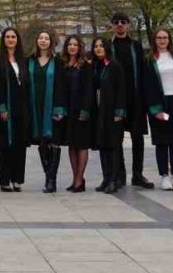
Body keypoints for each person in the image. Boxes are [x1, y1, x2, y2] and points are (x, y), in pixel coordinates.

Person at [109, 12, 153, 189]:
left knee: (138, 138)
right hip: (115, 100)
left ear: (129, 25)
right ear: (112, 25)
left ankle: (138, 174)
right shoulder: (108, 46)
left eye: (123, 22)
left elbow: (143, 71)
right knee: (116, 138)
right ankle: (120, 175)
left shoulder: (136, 46)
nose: (120, 25)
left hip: (135, 98)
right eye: (116, 22)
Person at [143, 29, 173, 190]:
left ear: (169, 39)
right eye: (159, 38)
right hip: (160, 104)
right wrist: (156, 109)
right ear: (154, 40)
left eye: (165, 37)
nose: (162, 40)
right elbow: (148, 86)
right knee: (161, 141)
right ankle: (164, 176)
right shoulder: (149, 59)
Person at [0, 27, 31, 192]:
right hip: (5, 108)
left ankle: (17, 179)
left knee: (20, 145)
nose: (10, 39)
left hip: (21, 109)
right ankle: (4, 179)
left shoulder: (24, 60)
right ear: (3, 40)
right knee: (7, 145)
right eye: (7, 37)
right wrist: (1, 107)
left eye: (13, 36)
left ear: (17, 39)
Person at [27, 31, 65, 194]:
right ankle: (47, 177)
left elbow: (62, 87)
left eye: (46, 38)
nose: (43, 40)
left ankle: (52, 180)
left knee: (53, 142)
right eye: (40, 38)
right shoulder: (29, 61)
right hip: (35, 107)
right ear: (36, 41)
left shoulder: (58, 62)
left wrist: (60, 108)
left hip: (52, 107)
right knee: (42, 142)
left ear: (51, 42)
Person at [55, 35, 93, 192]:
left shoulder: (85, 65)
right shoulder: (62, 64)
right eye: (69, 44)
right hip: (67, 110)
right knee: (71, 144)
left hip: (81, 109)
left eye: (75, 44)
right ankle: (75, 177)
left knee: (82, 144)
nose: (72, 47)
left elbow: (89, 89)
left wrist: (86, 110)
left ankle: (79, 179)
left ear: (79, 47)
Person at [90, 37, 126, 194]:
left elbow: (121, 89)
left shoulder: (114, 65)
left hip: (112, 112)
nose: (98, 49)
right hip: (99, 112)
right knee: (102, 145)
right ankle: (106, 177)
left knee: (113, 145)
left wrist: (119, 111)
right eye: (96, 46)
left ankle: (114, 179)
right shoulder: (95, 66)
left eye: (101, 46)